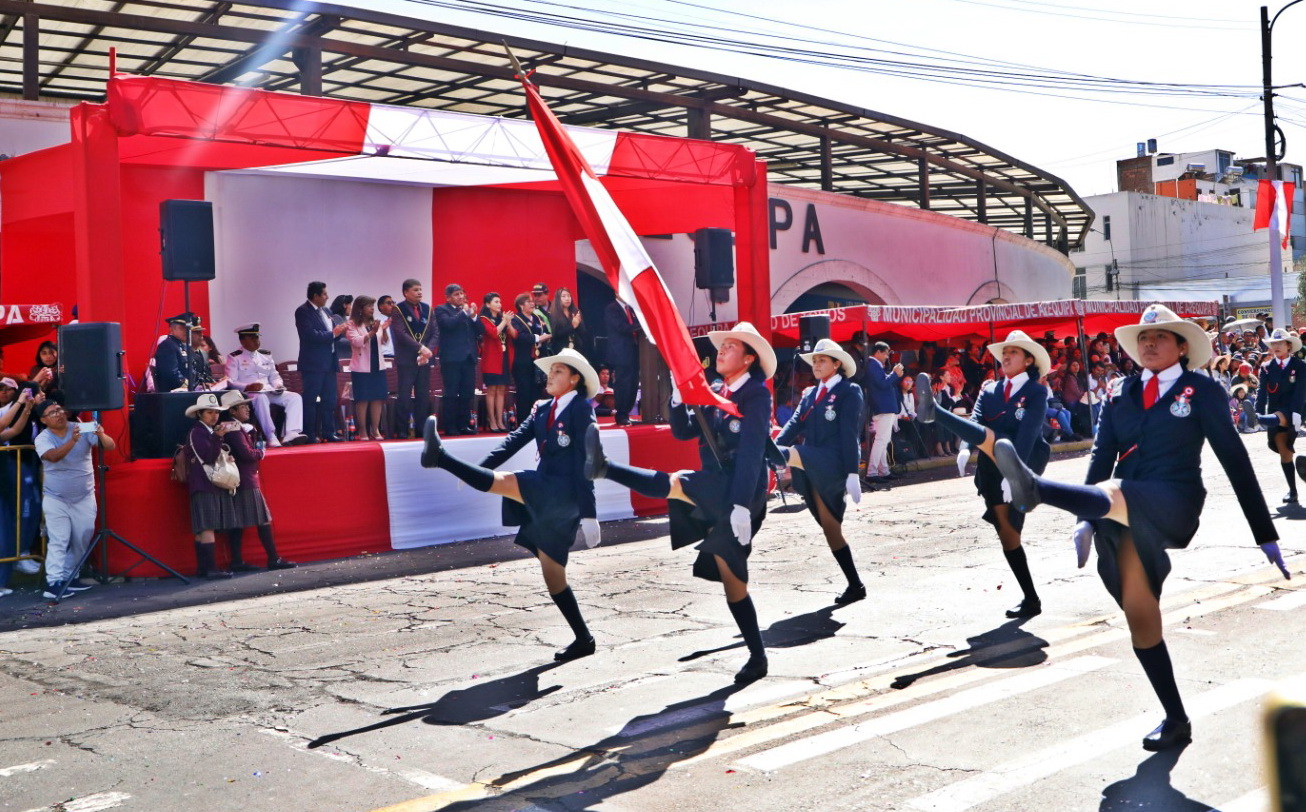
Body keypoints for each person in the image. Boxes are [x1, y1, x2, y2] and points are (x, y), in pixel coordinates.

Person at [993, 304, 1288, 752]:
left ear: (1182, 347)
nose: (1149, 344)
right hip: (1118, 513)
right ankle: (1176, 718)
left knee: (1114, 489)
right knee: (1140, 614)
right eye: (1143, 339)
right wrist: (1084, 520)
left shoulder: (1201, 390)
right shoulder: (1120, 392)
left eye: (1161, 338)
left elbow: (1234, 457)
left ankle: (1036, 489)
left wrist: (1264, 532)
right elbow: (1101, 454)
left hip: (1173, 500)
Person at [584, 322, 775, 684]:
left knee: (676, 483)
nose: (721, 350)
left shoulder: (756, 395)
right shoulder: (716, 390)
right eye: (722, 345)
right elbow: (685, 431)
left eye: (731, 347)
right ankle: (758, 656)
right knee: (733, 581)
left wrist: (740, 506)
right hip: (718, 485)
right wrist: (677, 398)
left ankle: (604, 467)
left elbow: (751, 453)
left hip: (740, 488)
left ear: (749, 359)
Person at [420, 348, 600, 661]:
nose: (550, 375)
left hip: (563, 493)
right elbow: (512, 441)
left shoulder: (582, 409)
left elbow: (588, 459)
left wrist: (590, 514)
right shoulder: (543, 409)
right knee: (553, 576)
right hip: (547, 494)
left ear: (574, 379)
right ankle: (584, 639)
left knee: (513, 481)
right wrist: (481, 468)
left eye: (558, 371)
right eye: (551, 370)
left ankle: (442, 458)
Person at [917, 330, 1051, 619]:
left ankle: (936, 411)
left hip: (1023, 460)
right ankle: (1031, 598)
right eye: (1005, 351)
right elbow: (975, 420)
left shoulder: (1036, 391)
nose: (1006, 355)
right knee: (1007, 534)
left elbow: (1028, 434)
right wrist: (965, 447)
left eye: (1014, 351)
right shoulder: (990, 389)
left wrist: (1014, 473)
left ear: (1029, 359)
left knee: (998, 439)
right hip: (991, 464)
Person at [772, 338, 867, 605]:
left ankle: (758, 463)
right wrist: (779, 443)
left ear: (837, 364)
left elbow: (850, 434)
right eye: (814, 360)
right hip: (813, 464)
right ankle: (855, 585)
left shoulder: (850, 391)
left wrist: (852, 472)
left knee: (790, 454)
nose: (816, 364)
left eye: (822, 360)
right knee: (830, 529)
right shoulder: (810, 394)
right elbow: (793, 424)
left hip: (833, 461)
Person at [34, 399, 115, 600]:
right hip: (56, 497)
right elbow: (52, 457)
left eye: (60, 410)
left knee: (83, 536)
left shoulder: (80, 427)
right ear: (44, 420)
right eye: (53, 413)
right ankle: (53, 582)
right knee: (59, 539)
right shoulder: (43, 437)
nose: (59, 414)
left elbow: (110, 447)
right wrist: (73, 441)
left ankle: (70, 575)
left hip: (84, 495)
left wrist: (101, 434)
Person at [217, 390, 296, 571]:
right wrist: (260, 452)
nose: (248, 409)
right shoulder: (234, 428)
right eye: (243, 406)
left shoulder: (230, 427)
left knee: (238, 522)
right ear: (233, 411)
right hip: (245, 479)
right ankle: (273, 558)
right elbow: (246, 454)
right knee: (263, 519)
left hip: (237, 480)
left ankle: (237, 561)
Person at [224, 324, 308, 447]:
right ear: (242, 340)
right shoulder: (235, 357)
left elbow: (274, 375)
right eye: (252, 338)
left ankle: (291, 433)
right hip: (248, 394)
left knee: (294, 397)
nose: (256, 341)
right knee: (260, 398)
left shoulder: (266, 355)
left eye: (257, 337)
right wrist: (248, 387)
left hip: (269, 390)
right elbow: (230, 381)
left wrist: (278, 385)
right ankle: (271, 435)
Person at [184, 392, 237, 578]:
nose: (214, 416)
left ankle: (204, 569)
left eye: (216, 412)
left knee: (203, 528)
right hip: (204, 484)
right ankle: (211, 569)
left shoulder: (203, 431)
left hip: (201, 484)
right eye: (209, 413)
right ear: (200, 414)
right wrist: (218, 438)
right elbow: (208, 457)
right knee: (207, 527)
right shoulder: (198, 432)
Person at [1253, 329, 1306, 503]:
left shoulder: (1299, 366)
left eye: (1280, 343)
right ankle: (1293, 491)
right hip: (1274, 410)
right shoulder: (1267, 367)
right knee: (1284, 452)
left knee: (1281, 415)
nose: (1276, 346)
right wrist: (1257, 411)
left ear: (1289, 346)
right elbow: (1261, 392)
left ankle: (1263, 420)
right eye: (1273, 344)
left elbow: (1300, 392)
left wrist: (1297, 413)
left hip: (1294, 409)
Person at [295, 281, 347, 442]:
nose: (327, 297)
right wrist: (333, 333)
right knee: (310, 399)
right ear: (316, 296)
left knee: (330, 399)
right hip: (313, 363)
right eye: (324, 294)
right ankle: (310, 434)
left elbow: (334, 333)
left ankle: (328, 432)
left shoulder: (326, 310)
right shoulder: (303, 311)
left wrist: (340, 331)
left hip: (330, 361)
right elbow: (309, 335)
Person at [392, 279, 437, 437]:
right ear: (406, 292)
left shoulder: (427, 309)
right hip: (406, 359)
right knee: (404, 395)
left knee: (423, 395)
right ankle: (402, 429)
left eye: (420, 289)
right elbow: (400, 333)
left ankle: (421, 429)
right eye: (416, 290)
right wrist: (420, 348)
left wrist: (428, 350)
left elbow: (435, 333)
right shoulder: (398, 309)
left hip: (424, 359)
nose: (420, 292)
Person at [435, 283, 480, 435]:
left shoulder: (466, 312)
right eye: (456, 294)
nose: (461, 297)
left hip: (468, 358)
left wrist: (474, 317)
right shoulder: (441, 310)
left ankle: (464, 424)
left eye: (462, 293)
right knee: (451, 393)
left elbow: (480, 332)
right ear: (448, 298)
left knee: (467, 393)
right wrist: (466, 313)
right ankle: (450, 426)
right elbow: (448, 324)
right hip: (451, 359)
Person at [346, 296, 390, 441]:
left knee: (377, 398)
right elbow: (356, 342)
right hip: (361, 368)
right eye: (369, 306)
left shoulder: (375, 322)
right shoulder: (352, 324)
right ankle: (363, 430)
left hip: (378, 366)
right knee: (363, 399)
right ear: (360, 308)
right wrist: (372, 332)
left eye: (373, 306)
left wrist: (383, 330)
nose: (372, 309)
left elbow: (384, 341)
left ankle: (375, 429)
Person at [865, 341, 904, 483]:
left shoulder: (875, 365)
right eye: (886, 353)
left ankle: (883, 470)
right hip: (883, 407)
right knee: (881, 440)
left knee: (883, 440)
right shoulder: (872, 365)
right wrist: (894, 374)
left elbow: (883, 382)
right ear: (878, 352)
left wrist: (893, 374)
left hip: (885, 407)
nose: (887, 356)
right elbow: (882, 384)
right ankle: (872, 472)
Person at [478, 292, 512, 433]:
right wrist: (504, 321)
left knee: (501, 390)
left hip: (503, 357)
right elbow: (493, 333)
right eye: (496, 302)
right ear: (488, 304)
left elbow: (510, 335)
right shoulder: (483, 319)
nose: (500, 304)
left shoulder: (501, 318)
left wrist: (508, 323)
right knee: (492, 390)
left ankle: (500, 420)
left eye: (500, 302)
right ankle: (491, 420)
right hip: (491, 358)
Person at [604, 298, 640, 425]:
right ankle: (621, 414)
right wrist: (641, 326)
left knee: (633, 384)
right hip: (620, 353)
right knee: (623, 384)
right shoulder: (612, 308)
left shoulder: (631, 309)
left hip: (634, 352)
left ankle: (627, 413)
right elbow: (621, 328)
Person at [508, 292, 544, 415]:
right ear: (521, 305)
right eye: (528, 302)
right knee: (524, 392)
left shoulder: (537, 318)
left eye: (532, 301)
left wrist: (544, 338)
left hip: (536, 359)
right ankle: (523, 420)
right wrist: (538, 338)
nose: (532, 304)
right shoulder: (515, 319)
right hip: (521, 361)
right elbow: (520, 338)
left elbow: (544, 332)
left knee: (536, 392)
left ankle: (536, 419)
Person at [153, 313, 194, 393]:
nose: (187, 331)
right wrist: (188, 384)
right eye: (182, 328)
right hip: (172, 393)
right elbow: (171, 373)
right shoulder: (168, 345)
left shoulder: (181, 345)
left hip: (183, 391)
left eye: (189, 329)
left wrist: (198, 382)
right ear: (172, 329)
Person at [548, 287, 585, 356]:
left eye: (569, 296)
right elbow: (556, 335)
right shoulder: (553, 314)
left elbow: (583, 332)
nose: (567, 299)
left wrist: (579, 324)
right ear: (558, 299)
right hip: (561, 349)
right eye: (563, 296)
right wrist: (572, 326)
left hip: (576, 348)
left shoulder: (575, 312)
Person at [329, 294, 354, 361]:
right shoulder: (336, 318)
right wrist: (355, 341)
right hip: (341, 357)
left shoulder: (344, 319)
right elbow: (338, 340)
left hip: (346, 355)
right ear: (344, 305)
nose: (351, 308)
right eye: (350, 305)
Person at [376, 294, 396, 362]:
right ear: (381, 306)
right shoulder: (376, 321)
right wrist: (382, 330)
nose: (392, 305)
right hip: (384, 356)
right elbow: (380, 340)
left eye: (393, 303)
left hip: (398, 356)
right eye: (389, 303)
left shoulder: (397, 321)